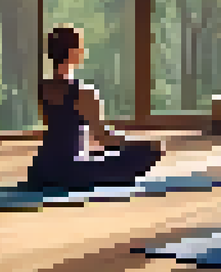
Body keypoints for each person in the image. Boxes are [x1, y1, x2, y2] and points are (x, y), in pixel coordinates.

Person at [25, 25, 162, 190]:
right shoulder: (84, 93)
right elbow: (103, 138)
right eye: (80, 47)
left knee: (98, 156)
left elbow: (58, 131)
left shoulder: (42, 89)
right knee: (148, 151)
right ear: (73, 52)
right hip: (71, 172)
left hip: (41, 170)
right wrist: (140, 143)